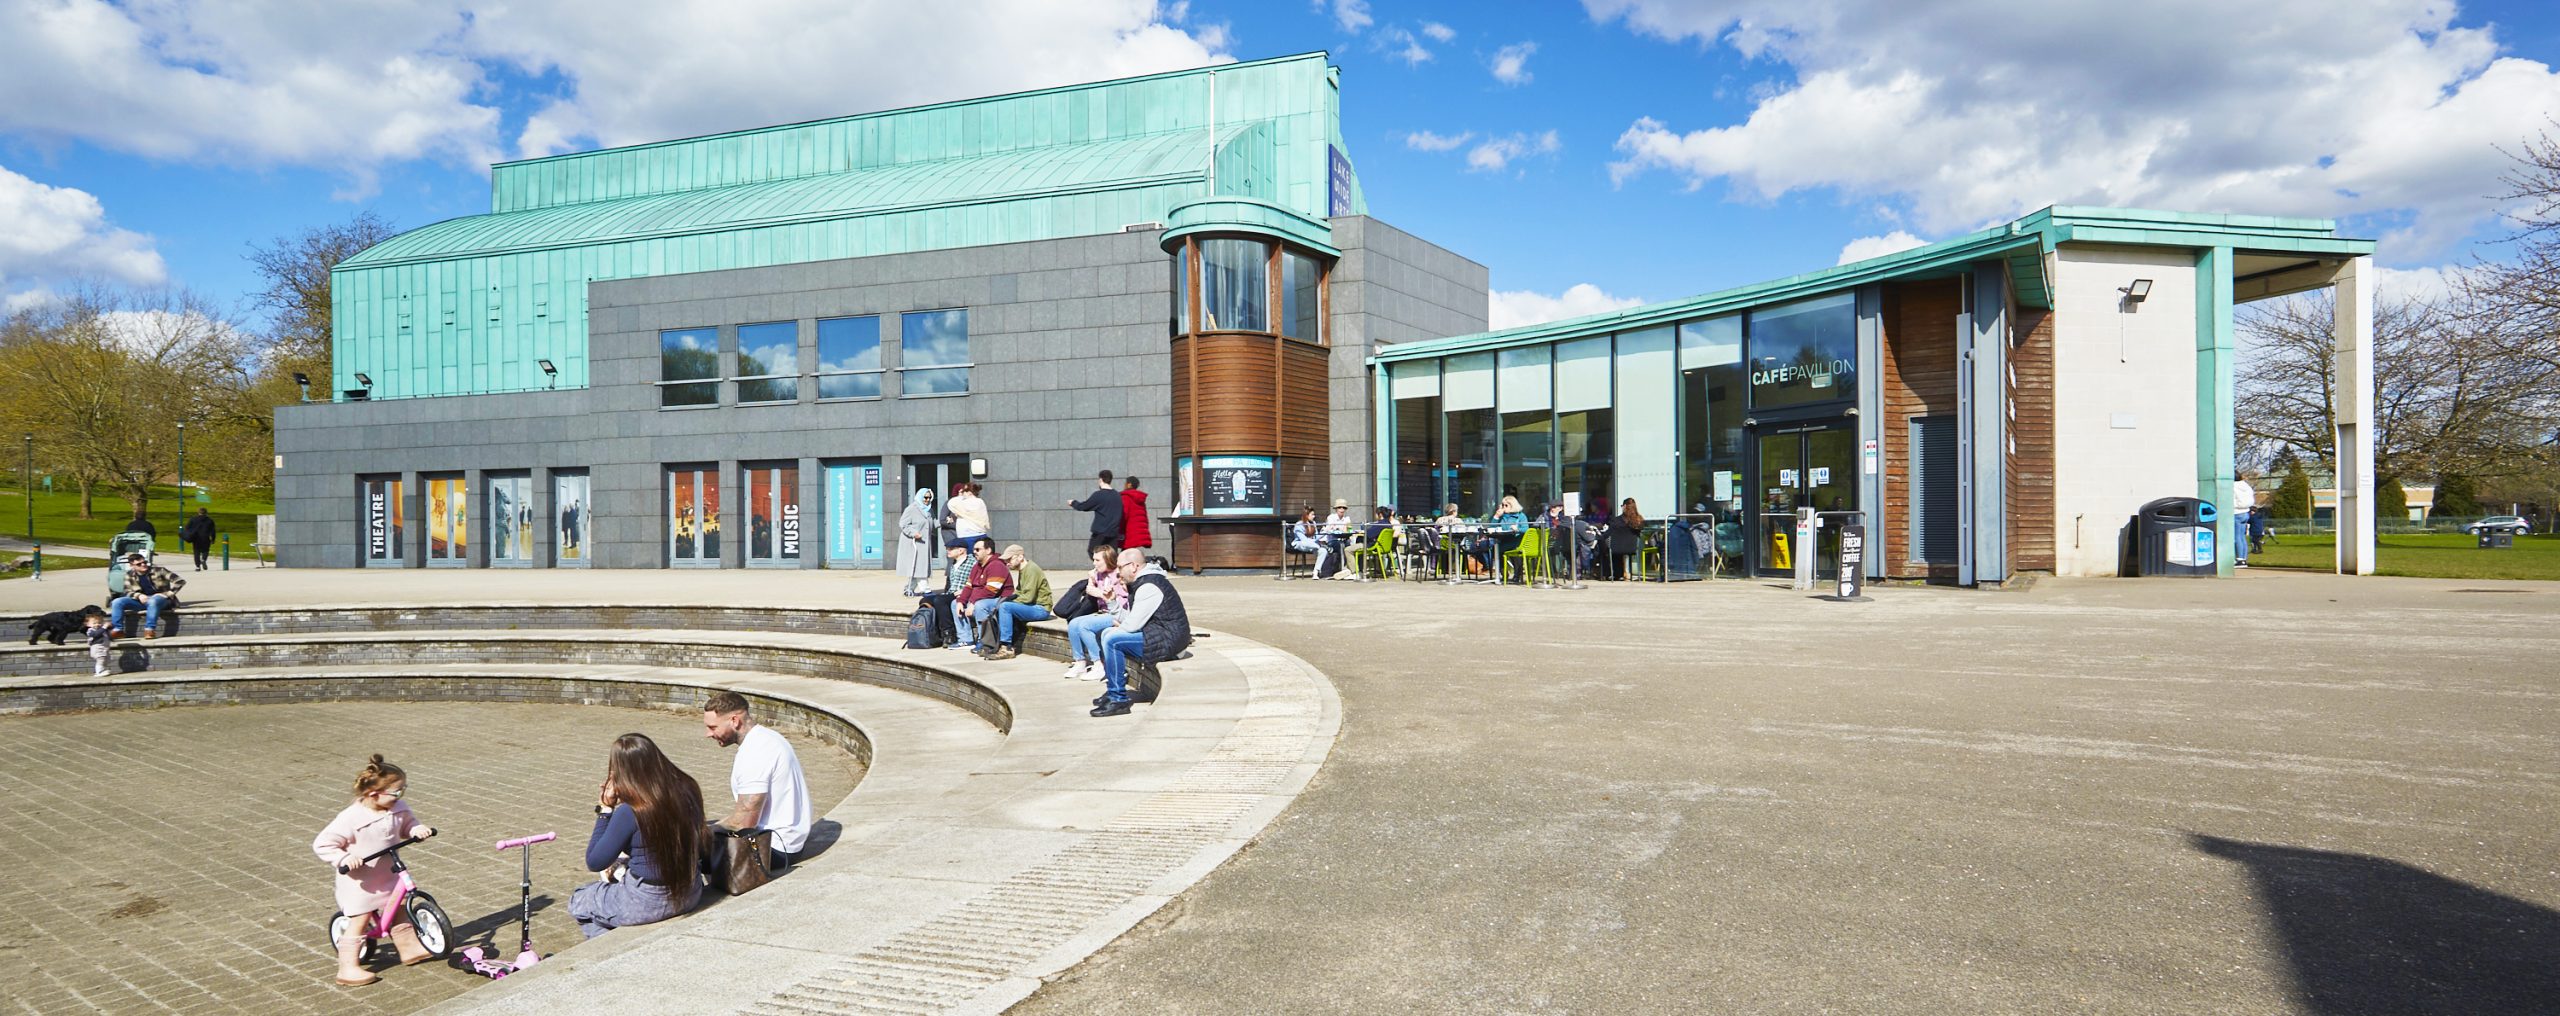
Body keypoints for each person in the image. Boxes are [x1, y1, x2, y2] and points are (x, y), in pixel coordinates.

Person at [312, 754, 436, 985]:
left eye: (404, 790)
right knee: (359, 920)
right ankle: (347, 968)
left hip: (387, 872)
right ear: (373, 794)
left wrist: (417, 829)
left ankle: (409, 949)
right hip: (361, 882)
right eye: (397, 792)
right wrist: (345, 858)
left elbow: (408, 824)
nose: (401, 796)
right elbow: (323, 844)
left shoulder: (397, 808)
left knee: (399, 909)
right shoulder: (350, 818)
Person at [573, 733, 705, 938]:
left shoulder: (630, 811)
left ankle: (611, 946)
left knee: (579, 900)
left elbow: (595, 861)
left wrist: (606, 810)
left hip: (646, 900)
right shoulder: (688, 789)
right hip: (690, 891)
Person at [702, 692, 812, 868]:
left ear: (735, 721)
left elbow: (744, 822)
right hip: (785, 839)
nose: (708, 734)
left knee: (682, 850)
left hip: (775, 848)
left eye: (713, 727)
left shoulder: (756, 753)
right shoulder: (766, 737)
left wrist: (701, 833)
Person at [1092, 548, 1192, 718]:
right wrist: (1112, 602)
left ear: (1133, 566)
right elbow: (1131, 620)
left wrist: (1113, 633)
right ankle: (1112, 693)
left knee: (1112, 640)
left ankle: (1118, 699)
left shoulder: (1149, 586)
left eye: (1120, 568)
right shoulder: (1142, 582)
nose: (1117, 573)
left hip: (1169, 641)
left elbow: (1131, 626)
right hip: (1157, 634)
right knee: (1105, 633)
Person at [1063, 545, 1127, 679]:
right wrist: (1091, 581)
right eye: (1094, 560)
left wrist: (1097, 592)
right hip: (1103, 612)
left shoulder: (1119, 575)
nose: (1094, 564)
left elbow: (1118, 602)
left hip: (1117, 614)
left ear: (1108, 559)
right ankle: (1080, 662)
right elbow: (1091, 591)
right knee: (1074, 623)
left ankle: (1099, 664)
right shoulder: (1098, 575)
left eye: (1098, 560)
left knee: (1084, 626)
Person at [988, 544, 1054, 661]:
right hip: (1032, 606)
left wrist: (1007, 603)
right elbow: (1019, 592)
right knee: (1000, 605)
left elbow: (1027, 598)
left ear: (1020, 557)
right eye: (1006, 560)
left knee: (1005, 607)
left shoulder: (1031, 570)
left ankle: (1007, 647)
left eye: (1009, 559)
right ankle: (995, 643)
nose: (1007, 563)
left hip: (1041, 609)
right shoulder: (1023, 569)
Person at [953, 538, 1010, 653]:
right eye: (973, 549)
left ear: (988, 550)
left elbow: (990, 590)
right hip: (981, 598)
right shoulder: (977, 566)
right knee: (954, 604)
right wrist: (961, 601)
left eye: (978, 549)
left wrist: (973, 602)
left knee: (980, 605)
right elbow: (969, 586)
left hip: (999, 599)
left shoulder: (997, 565)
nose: (974, 552)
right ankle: (966, 640)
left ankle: (984, 641)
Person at [108, 553, 176, 638]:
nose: (143, 565)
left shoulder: (160, 570)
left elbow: (180, 581)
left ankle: (149, 630)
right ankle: (118, 630)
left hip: (162, 601)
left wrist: (167, 594)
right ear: (132, 565)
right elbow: (126, 591)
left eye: (145, 562)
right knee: (117, 602)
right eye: (139, 564)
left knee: (153, 601)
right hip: (142, 601)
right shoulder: (129, 574)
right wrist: (138, 595)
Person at [1068, 470, 1125, 556]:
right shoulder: (1117, 495)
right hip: (1113, 531)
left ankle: (1103, 567)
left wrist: (1073, 503)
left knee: (1093, 552)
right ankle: (1110, 568)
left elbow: (1084, 506)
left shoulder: (1098, 495)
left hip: (1100, 532)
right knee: (1112, 555)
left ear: (1100, 480)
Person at [896, 488, 937, 596]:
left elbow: (932, 523)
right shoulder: (912, 508)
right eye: (925, 497)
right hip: (913, 543)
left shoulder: (928, 510)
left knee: (917, 566)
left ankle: (909, 588)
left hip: (924, 542)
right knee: (919, 566)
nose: (927, 500)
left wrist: (943, 522)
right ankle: (926, 589)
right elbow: (903, 524)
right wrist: (913, 533)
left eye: (929, 497)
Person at [1609, 498, 1647, 580]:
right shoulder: (1639, 520)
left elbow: (1608, 533)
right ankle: (1628, 572)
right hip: (1632, 548)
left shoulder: (1616, 520)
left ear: (1625, 506)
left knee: (1607, 549)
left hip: (1617, 549)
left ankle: (1616, 574)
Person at [947, 482, 991, 552]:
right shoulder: (980, 502)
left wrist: (960, 496)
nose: (962, 492)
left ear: (969, 492)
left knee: (969, 559)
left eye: (964, 491)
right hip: (977, 535)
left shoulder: (968, 502)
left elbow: (951, 503)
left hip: (968, 537)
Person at [1316, 500, 1354, 579]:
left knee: (1349, 546)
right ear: (1336, 509)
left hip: (1344, 539)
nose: (1342, 509)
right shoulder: (1331, 517)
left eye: (1343, 508)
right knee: (1341, 546)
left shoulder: (1347, 518)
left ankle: (1349, 569)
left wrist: (1343, 529)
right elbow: (1330, 529)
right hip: (1332, 541)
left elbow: (1348, 529)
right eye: (1339, 507)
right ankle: (1342, 569)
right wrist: (1339, 528)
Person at [1120, 476, 1152, 552]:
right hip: (1137, 530)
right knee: (1130, 553)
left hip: (1129, 531)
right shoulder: (1140, 499)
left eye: (1125, 483)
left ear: (1129, 484)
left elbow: (1124, 515)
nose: (1124, 485)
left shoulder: (1126, 497)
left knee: (1125, 555)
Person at [83, 607, 112, 677]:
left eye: (99, 623)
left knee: (106, 659)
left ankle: (103, 669)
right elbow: (96, 634)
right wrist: (104, 627)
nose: (97, 624)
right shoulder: (90, 631)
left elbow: (107, 634)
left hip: (104, 647)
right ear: (88, 624)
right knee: (101, 659)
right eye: (94, 623)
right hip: (97, 648)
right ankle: (99, 672)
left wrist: (109, 627)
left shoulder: (102, 629)